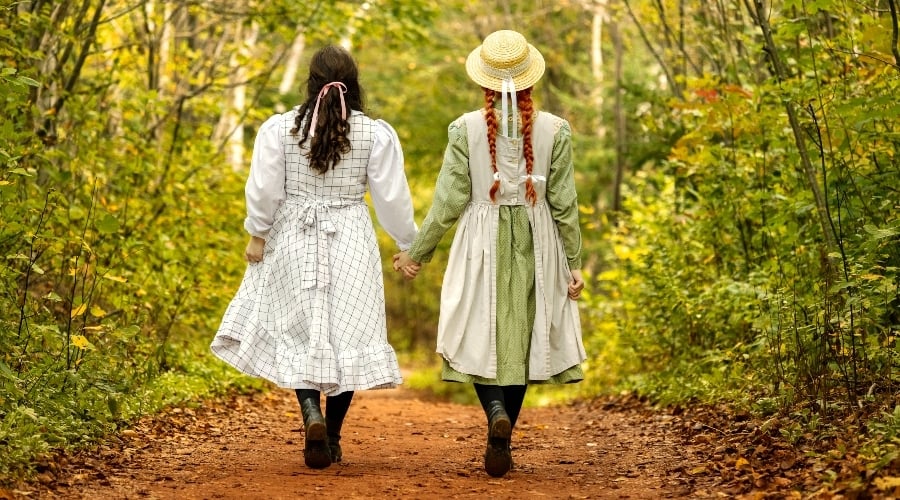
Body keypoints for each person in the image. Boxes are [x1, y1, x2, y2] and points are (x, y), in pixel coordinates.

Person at [211, 45, 417, 470]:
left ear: (310, 82)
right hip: (351, 240)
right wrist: (406, 243)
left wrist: (258, 233)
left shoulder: (281, 129)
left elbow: (265, 188)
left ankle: (310, 414)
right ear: (353, 84)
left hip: (293, 236)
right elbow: (391, 198)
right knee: (349, 335)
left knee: (297, 332)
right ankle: (334, 436)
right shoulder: (374, 134)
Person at [393, 29, 586, 478]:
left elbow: (448, 200)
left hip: (481, 240)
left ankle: (494, 408)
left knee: (480, 331)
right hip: (538, 241)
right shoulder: (555, 129)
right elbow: (565, 204)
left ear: (484, 80)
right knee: (520, 342)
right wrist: (573, 262)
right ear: (530, 80)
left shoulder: (465, 128)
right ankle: (505, 432)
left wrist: (417, 254)